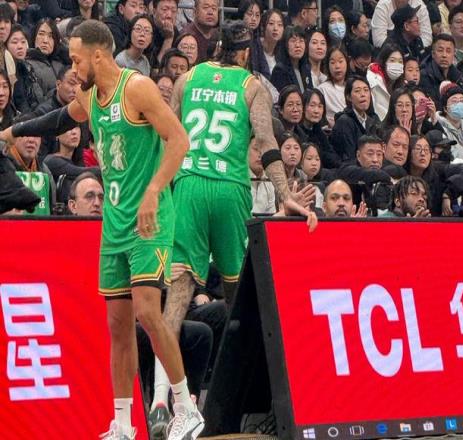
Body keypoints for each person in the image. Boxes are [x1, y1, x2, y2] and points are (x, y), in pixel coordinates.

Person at [0, 19, 202, 440]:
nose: (72, 69)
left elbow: (179, 140)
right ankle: (123, 424)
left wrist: (153, 191)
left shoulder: (137, 88)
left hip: (149, 219)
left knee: (148, 312)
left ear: (97, 55)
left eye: (76, 60)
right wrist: (14, 131)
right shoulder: (91, 97)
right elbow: (58, 119)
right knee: (117, 326)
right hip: (114, 222)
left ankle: (186, 407)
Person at [152, 21, 317, 434]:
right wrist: (284, 195)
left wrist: (158, 190)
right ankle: (240, 401)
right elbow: (266, 143)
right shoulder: (251, 86)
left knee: (177, 297)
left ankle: (160, 400)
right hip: (229, 188)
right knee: (238, 299)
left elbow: (168, 137)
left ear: (218, 47)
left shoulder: (188, 78)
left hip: (188, 185)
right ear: (245, 53)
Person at [329, 75, 379, 162]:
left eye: (366, 90)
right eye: (357, 91)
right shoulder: (344, 122)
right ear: (348, 97)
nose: (363, 94)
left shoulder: (373, 121)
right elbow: (348, 158)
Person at [419, 33, 463, 110]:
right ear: (433, 54)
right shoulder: (424, 76)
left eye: (448, 51)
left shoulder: (459, 77)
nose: (444, 55)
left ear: (454, 55)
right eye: (440, 50)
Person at [436, 81, 463, 161]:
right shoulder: (438, 127)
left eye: (462, 101)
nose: (459, 104)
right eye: (454, 101)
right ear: (445, 108)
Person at [26, 18, 66, 97]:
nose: (45, 41)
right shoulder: (27, 65)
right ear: (34, 37)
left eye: (50, 36)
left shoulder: (62, 63)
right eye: (41, 34)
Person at [367, 44, 405, 120]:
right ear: (384, 62)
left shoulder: (403, 85)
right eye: (392, 60)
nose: (396, 65)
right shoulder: (371, 80)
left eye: (400, 61)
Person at [271, 25, 312, 93]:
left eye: (301, 41)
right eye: (293, 41)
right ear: (285, 45)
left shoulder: (306, 69)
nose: (298, 45)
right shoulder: (280, 70)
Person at [318, 46, 349, 127]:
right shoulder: (322, 89)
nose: (337, 66)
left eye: (341, 61)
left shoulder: (353, 87)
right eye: (332, 62)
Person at [260, 8, 284, 77]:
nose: (275, 28)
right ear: (263, 27)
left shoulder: (282, 54)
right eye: (271, 23)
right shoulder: (256, 50)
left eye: (280, 24)